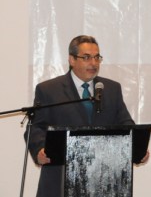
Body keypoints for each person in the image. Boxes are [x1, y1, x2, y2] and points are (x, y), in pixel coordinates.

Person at [25, 35, 139, 197]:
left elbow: (125, 123)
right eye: (86, 57)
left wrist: (137, 147)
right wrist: (39, 150)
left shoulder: (111, 89)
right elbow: (36, 126)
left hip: (104, 179)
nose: (93, 63)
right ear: (72, 59)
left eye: (97, 57)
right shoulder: (49, 90)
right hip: (60, 177)